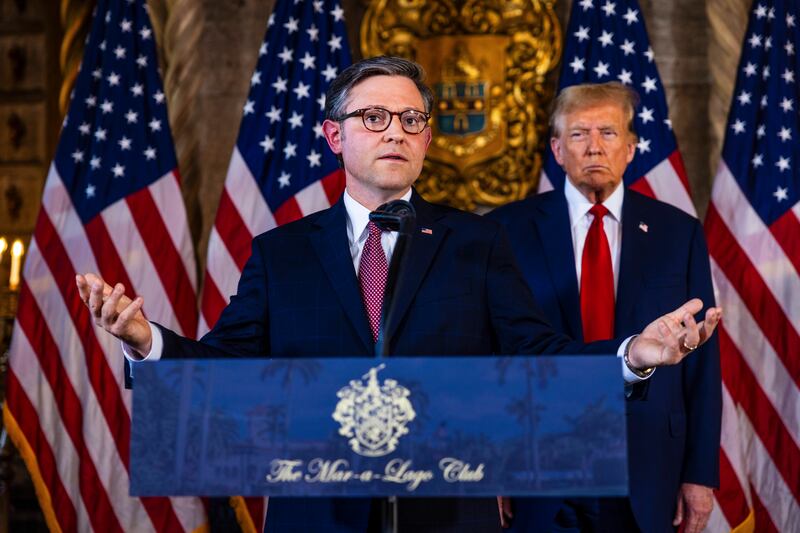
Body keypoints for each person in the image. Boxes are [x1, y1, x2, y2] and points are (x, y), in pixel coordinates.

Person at [76, 58, 720, 532]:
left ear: (428, 139)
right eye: (375, 117)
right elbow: (226, 370)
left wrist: (633, 352)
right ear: (335, 138)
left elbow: (538, 357)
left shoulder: (477, 243)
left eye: (412, 119)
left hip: (447, 515)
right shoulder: (281, 253)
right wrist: (146, 341)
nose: (395, 132)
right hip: (319, 516)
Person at [489, 82, 721, 533]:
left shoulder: (680, 233)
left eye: (608, 133)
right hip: (536, 464)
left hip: (649, 462)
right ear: (556, 149)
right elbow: (491, 352)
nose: (594, 146)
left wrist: (699, 474)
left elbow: (702, 362)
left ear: (631, 147)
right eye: (578, 134)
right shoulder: (504, 230)